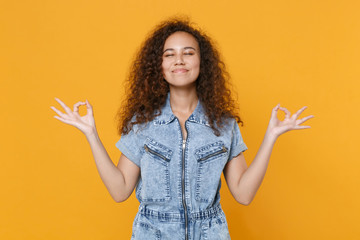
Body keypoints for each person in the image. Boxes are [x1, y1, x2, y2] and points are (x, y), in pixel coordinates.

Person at [51, 18, 314, 240]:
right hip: (152, 232)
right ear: (159, 66)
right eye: (170, 54)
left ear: (202, 62)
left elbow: (244, 194)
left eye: (188, 52)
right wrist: (90, 133)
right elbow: (120, 191)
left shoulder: (223, 125)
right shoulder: (142, 123)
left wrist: (271, 136)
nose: (179, 60)